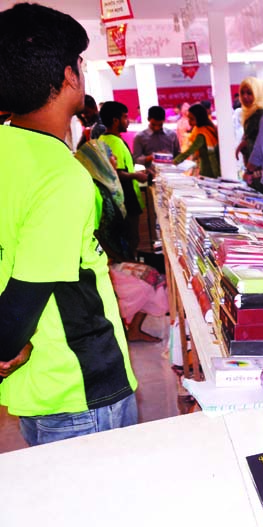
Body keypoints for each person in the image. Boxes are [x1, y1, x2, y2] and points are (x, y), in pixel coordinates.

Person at [0, 2, 138, 446]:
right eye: (81, 62)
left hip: (38, 384)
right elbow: (25, 295)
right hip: (78, 387)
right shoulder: (61, 176)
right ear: (67, 76)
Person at [100, 101, 148, 260]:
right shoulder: (114, 142)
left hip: (119, 200)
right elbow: (118, 173)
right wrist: (137, 176)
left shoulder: (103, 139)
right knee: (131, 239)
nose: (128, 121)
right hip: (126, 200)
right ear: (115, 120)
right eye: (125, 117)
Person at [234, 76, 263, 193]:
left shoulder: (260, 114)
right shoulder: (249, 114)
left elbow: (260, 147)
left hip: (260, 174)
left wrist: (249, 171)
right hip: (254, 173)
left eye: (249, 93)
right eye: (242, 93)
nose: (245, 97)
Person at [173, 103, 220, 178]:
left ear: (199, 118)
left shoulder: (202, 134)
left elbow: (189, 151)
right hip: (208, 167)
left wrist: (175, 161)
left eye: (192, 119)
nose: (189, 121)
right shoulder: (207, 128)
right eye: (188, 118)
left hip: (208, 170)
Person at [133, 105, 180, 172]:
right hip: (150, 174)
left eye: (160, 125)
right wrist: (151, 157)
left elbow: (178, 154)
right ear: (148, 119)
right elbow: (136, 159)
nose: (156, 128)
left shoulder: (172, 135)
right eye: (153, 124)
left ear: (164, 120)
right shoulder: (140, 137)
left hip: (170, 173)